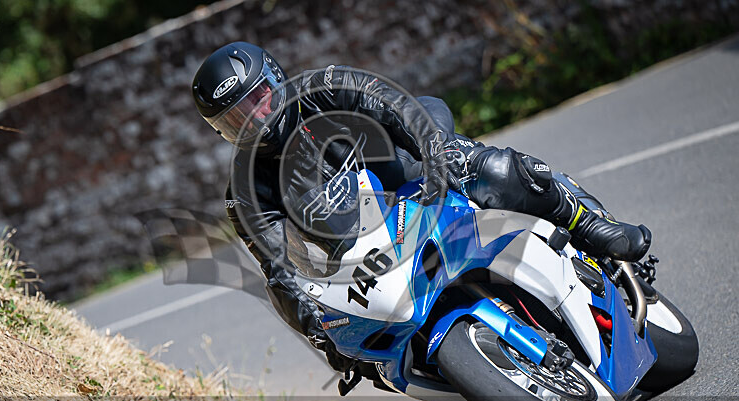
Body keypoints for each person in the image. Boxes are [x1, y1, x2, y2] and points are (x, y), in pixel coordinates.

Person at [191, 42, 651, 372]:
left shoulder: (325, 87)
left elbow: (393, 106)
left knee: (494, 171)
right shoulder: (245, 189)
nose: (253, 119)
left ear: (275, 78)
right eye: (234, 119)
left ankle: (591, 223)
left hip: (410, 170)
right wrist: (324, 332)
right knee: (354, 343)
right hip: (362, 251)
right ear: (220, 132)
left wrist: (439, 151)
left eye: (257, 100)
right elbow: (278, 269)